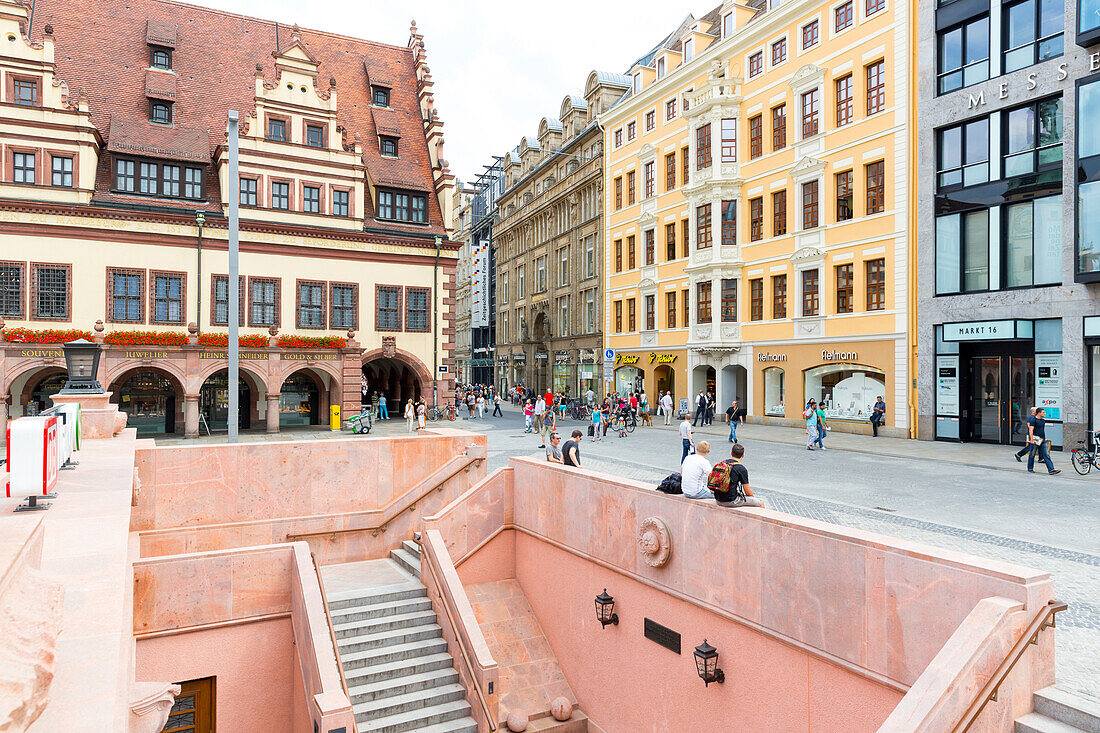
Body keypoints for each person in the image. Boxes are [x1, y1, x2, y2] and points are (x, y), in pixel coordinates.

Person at [708, 443, 765, 508]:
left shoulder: (722, 464)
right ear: (743, 455)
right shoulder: (741, 469)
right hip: (731, 501)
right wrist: (753, 499)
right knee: (760, 503)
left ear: (731, 453)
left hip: (718, 499)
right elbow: (747, 491)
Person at [1024, 407, 1061, 475]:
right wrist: (1031, 439)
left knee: (1046, 455)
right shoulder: (1033, 420)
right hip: (1035, 439)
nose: (1045, 413)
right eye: (1043, 412)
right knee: (1032, 454)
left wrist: (1044, 438)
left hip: (1042, 440)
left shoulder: (1043, 421)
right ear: (1039, 413)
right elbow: (1031, 430)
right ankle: (1030, 468)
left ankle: (1051, 470)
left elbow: (1042, 430)